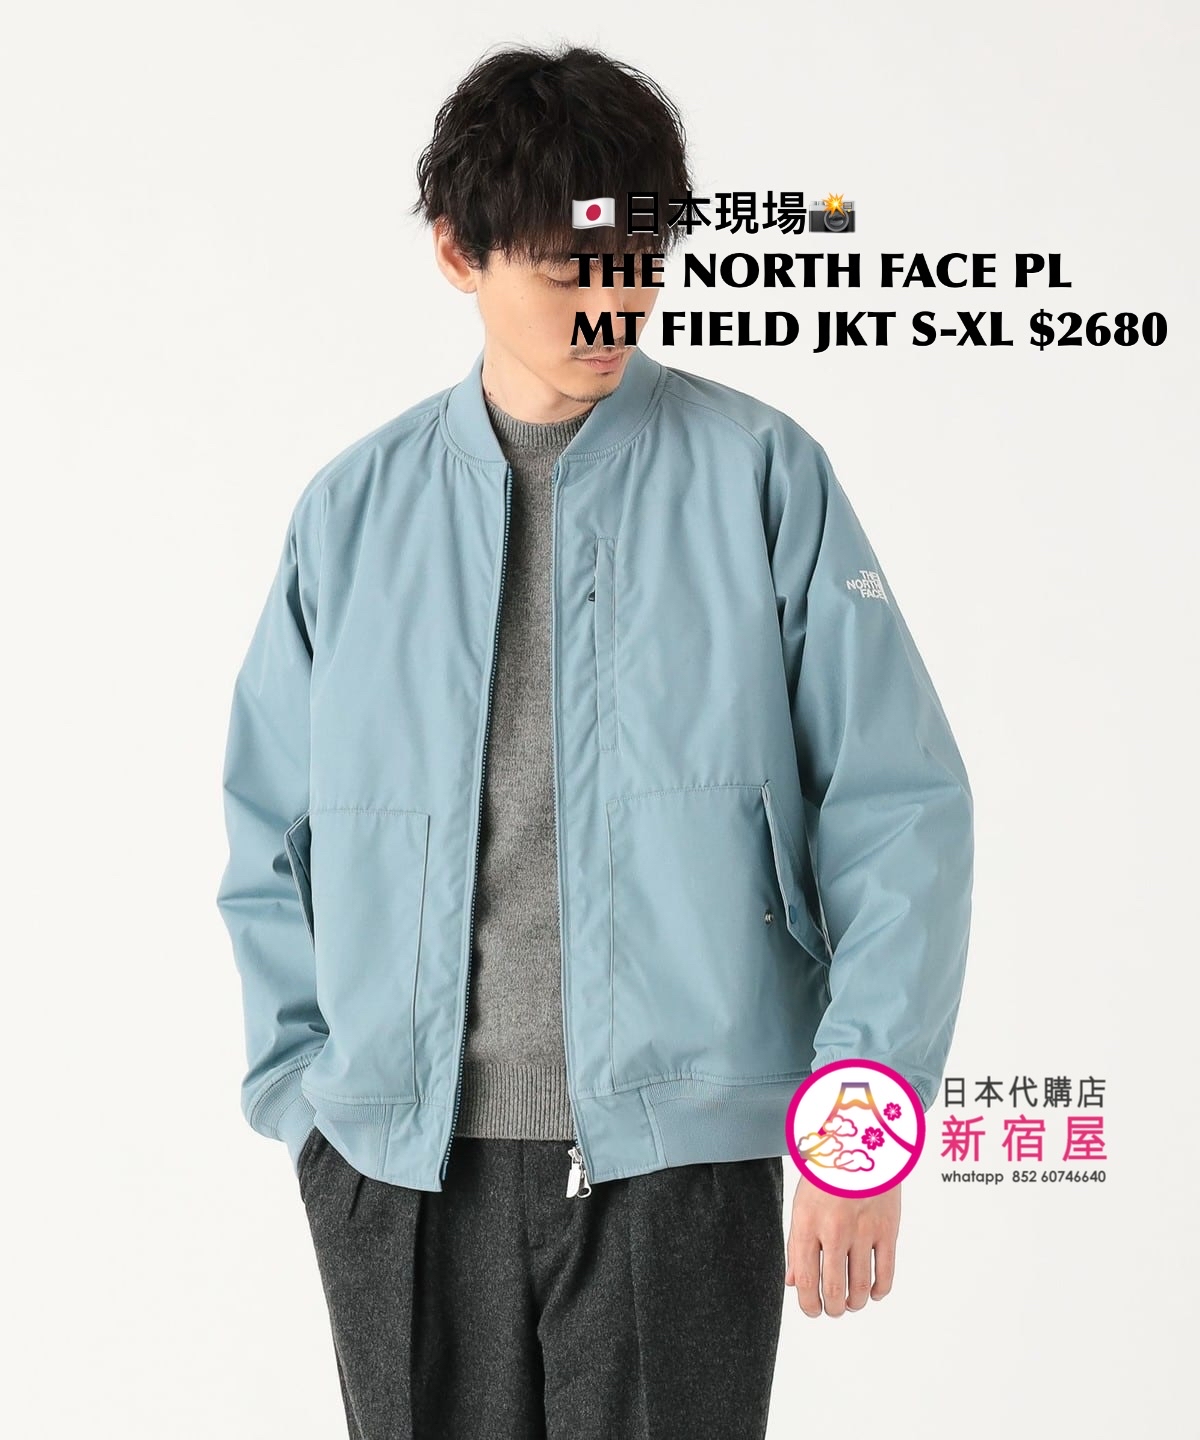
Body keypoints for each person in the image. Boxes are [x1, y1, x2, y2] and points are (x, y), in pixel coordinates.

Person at [215, 41, 974, 1440]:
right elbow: (270, 832)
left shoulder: (760, 475)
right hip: (399, 1173)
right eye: (570, 268)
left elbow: (897, 807)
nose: (613, 301)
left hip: (681, 1168)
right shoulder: (353, 512)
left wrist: (860, 1128)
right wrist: (307, 1107)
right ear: (459, 253)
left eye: (638, 260)